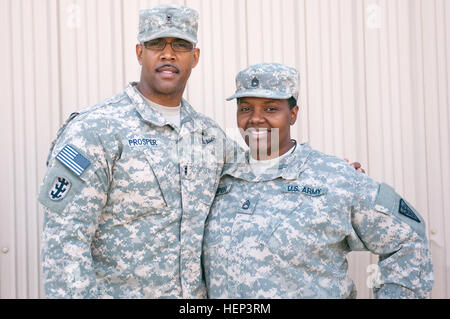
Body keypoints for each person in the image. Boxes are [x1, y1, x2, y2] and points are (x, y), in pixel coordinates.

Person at [37, 4, 235, 298]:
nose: (168, 53)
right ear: (140, 52)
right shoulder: (95, 129)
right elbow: (64, 241)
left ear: (195, 57)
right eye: (157, 43)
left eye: (180, 45)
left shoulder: (210, 138)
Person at [202, 63, 434, 299]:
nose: (256, 119)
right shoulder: (220, 178)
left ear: (292, 114)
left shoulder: (334, 176)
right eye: (245, 108)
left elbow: (408, 239)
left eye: (271, 109)